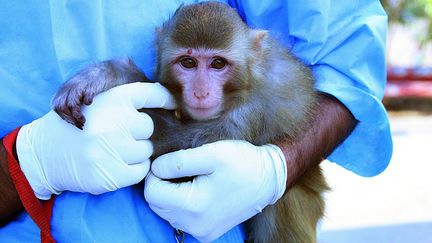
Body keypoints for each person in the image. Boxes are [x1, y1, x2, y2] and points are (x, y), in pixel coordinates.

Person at [0, 0, 392, 242]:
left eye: (218, 65)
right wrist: (27, 163)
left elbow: (348, 68)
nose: (203, 90)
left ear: (255, 53)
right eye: (188, 64)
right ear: (160, 46)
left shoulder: (260, 89)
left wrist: (276, 169)